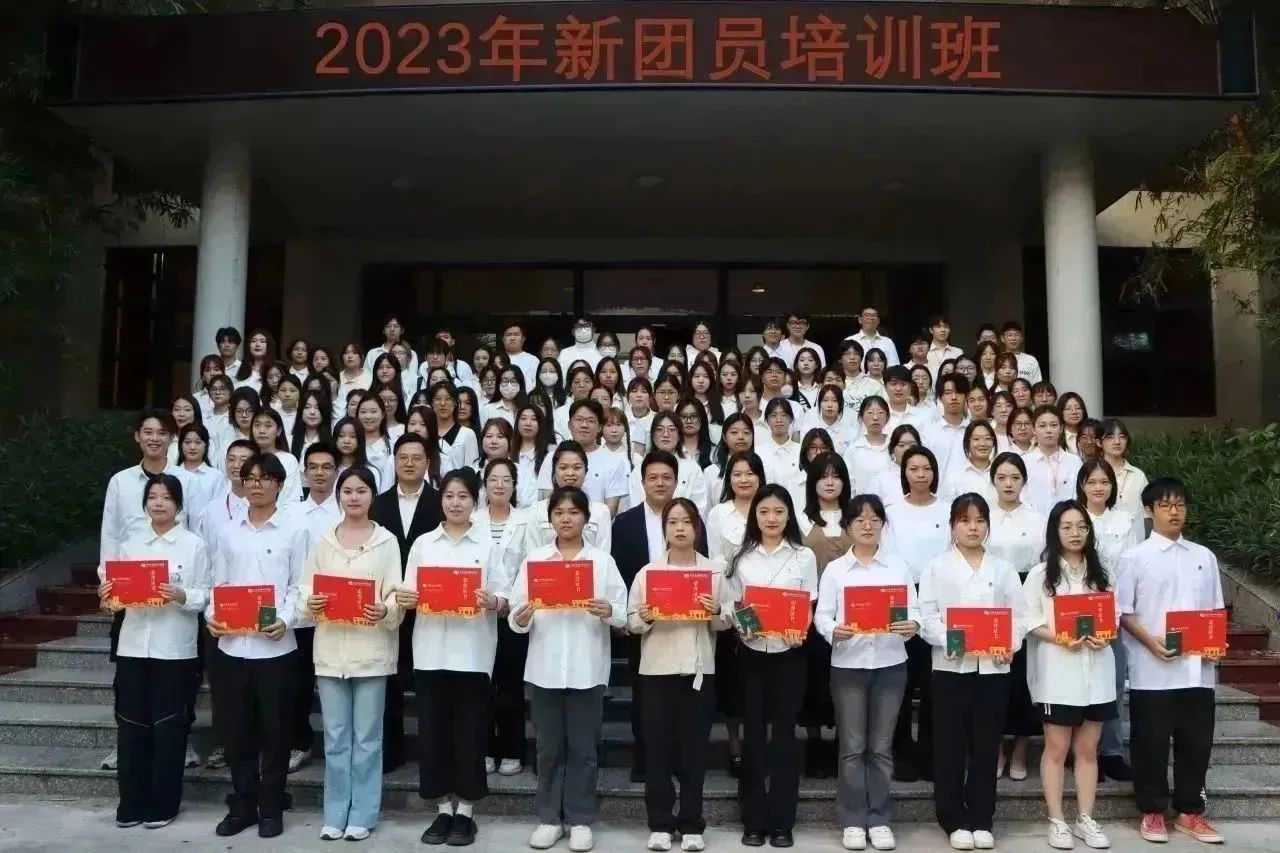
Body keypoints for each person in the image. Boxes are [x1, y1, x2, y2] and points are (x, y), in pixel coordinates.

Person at [508, 486, 629, 853]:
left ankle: (579, 819)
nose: (566, 518)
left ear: (586, 519)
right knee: (548, 748)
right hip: (544, 668)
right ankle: (549, 818)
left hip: (586, 667)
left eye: (573, 512)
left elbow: (623, 610)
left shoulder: (602, 562)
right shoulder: (535, 560)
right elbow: (516, 612)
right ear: (550, 519)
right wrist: (521, 617)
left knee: (583, 748)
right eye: (559, 512)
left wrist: (610, 611)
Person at [401, 469, 514, 847]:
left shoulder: (487, 546)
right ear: (441, 501)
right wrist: (406, 597)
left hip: (473, 654)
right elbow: (408, 590)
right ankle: (441, 810)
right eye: (449, 496)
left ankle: (465, 812)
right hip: (430, 652)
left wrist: (493, 601)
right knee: (434, 735)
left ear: (474, 502)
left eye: (463, 496)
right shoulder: (423, 544)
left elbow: (504, 597)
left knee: (470, 736)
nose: (455, 503)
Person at [1117, 478, 1225, 845]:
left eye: (1179, 504)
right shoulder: (1134, 558)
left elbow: (1214, 611)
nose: (1174, 511)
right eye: (1165, 505)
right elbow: (1123, 612)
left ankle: (1190, 812)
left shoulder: (1203, 556)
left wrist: (1214, 645)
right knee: (1150, 744)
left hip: (1198, 670)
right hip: (1152, 670)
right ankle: (1152, 811)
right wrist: (1150, 642)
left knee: (1196, 743)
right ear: (1149, 511)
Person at [97, 474, 209, 829]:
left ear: (179, 504)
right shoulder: (130, 544)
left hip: (174, 649)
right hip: (133, 645)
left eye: (166, 497)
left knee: (169, 727)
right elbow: (114, 593)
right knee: (131, 726)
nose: (159, 503)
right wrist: (107, 599)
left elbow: (206, 593)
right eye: (153, 497)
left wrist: (183, 595)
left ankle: (163, 804)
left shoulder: (193, 545)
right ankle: (131, 803)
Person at [205, 453, 307, 839]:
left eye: (264, 478)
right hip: (232, 647)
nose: (256, 484)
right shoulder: (228, 531)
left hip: (276, 649)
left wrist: (286, 619)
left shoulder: (294, 530)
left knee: (276, 734)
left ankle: (271, 806)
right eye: (250, 478)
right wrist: (212, 615)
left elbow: (300, 586)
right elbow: (218, 583)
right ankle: (243, 804)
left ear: (279, 485)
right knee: (236, 732)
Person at [918, 494, 1028, 852]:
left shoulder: (1003, 569)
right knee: (950, 745)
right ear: (953, 525)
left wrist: (1009, 643)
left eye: (980, 521)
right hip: (951, 667)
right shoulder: (936, 567)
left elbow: (1019, 617)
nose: (973, 528)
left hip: (993, 669)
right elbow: (927, 617)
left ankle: (982, 817)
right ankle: (953, 818)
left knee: (986, 744)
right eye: (965, 520)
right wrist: (949, 638)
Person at [299, 466, 403, 841]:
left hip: (371, 653)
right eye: (347, 491)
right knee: (336, 737)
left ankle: (363, 813)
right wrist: (310, 601)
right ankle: (335, 813)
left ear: (372, 496)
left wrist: (386, 609)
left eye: (361, 490)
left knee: (368, 739)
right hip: (330, 654)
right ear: (339, 496)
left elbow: (395, 593)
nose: (354, 497)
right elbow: (304, 590)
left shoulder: (386, 542)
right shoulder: (324, 541)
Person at [815, 494, 920, 853]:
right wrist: (833, 630)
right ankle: (853, 820)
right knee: (852, 748)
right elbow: (822, 614)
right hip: (848, 665)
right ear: (847, 526)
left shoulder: (898, 567)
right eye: (859, 519)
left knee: (881, 748)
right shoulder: (835, 570)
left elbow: (914, 611)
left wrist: (913, 624)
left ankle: (879, 819)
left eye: (875, 519)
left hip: (890, 664)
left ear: (883, 526)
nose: (867, 525)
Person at [627, 496, 727, 853]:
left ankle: (691, 824)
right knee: (657, 751)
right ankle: (660, 824)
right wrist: (645, 616)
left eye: (686, 522)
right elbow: (631, 622)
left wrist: (716, 610)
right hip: (657, 671)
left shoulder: (713, 571)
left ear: (697, 528)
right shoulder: (648, 573)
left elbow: (728, 620)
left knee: (694, 753)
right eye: (673, 522)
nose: (680, 528)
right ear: (664, 529)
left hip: (698, 672)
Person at [723, 484, 819, 848]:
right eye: (764, 512)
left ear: (789, 515)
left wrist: (799, 631)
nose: (771, 518)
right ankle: (753, 820)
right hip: (750, 656)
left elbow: (807, 605)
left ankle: (782, 822)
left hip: (789, 657)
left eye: (779, 511)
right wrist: (745, 626)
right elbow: (735, 606)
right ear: (755, 516)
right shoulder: (741, 557)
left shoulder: (803, 556)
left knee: (783, 739)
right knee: (753, 738)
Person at [1023, 501, 1117, 850]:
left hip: (1098, 671)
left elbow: (1114, 616)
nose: (1075, 533)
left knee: (1088, 749)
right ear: (1055, 531)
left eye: (1081, 526)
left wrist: (1105, 635)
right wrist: (1060, 637)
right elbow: (1028, 620)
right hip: (1057, 673)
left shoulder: (1103, 571)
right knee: (1057, 748)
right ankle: (1057, 820)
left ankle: (1086, 818)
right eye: (1067, 527)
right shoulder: (1041, 575)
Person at [613, 449, 706, 788]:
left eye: (667, 477)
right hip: (643, 620)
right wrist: (628, 615)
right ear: (642, 483)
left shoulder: (690, 520)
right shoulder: (625, 522)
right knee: (643, 698)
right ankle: (644, 760)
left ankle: (679, 761)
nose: (660, 483)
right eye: (653, 477)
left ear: (676, 481)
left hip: (684, 622)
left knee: (681, 701)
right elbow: (619, 571)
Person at [371, 433, 443, 773]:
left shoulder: (442, 501)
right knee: (389, 680)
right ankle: (391, 752)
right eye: (403, 458)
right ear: (395, 462)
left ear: (428, 463)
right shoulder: (378, 504)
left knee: (430, 682)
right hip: (388, 602)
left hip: (431, 604)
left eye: (417, 458)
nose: (409, 463)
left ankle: (432, 757)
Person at [882, 446, 949, 783]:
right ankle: (902, 755)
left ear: (935, 472)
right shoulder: (892, 513)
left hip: (938, 599)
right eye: (913, 468)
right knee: (902, 684)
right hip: (902, 598)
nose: (921, 474)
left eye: (926, 468)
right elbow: (888, 557)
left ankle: (932, 756)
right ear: (904, 473)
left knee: (934, 684)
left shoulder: (948, 509)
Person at [984, 452, 1047, 781]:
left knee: (1023, 677)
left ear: (1024, 481)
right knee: (996, 677)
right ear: (993, 480)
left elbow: (1043, 563)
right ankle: (995, 747)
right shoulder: (982, 516)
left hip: (1026, 597)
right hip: (990, 598)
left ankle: (1021, 748)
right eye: (1002, 477)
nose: (1008, 484)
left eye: (1015, 478)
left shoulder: (1037, 518)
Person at [281, 442, 342, 773]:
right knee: (298, 683)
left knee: (337, 682)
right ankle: (299, 742)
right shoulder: (290, 512)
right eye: (313, 467)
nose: (320, 473)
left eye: (327, 467)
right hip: (302, 612)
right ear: (304, 474)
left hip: (338, 612)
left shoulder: (345, 510)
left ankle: (339, 746)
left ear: (336, 472)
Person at [797, 450, 853, 780]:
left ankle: (844, 747)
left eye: (836, 476)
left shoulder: (855, 516)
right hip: (813, 610)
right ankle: (816, 746)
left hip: (852, 613)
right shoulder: (802, 519)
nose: (830, 482)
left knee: (846, 681)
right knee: (815, 680)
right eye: (823, 476)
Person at [474, 459, 530, 778]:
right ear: (485, 485)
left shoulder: (525, 521)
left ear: (514, 486)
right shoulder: (472, 519)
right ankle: (483, 748)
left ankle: (511, 750)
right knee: (481, 686)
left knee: (510, 685)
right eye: (493, 479)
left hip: (513, 613)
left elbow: (531, 565)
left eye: (506, 479)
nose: (499, 484)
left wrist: (510, 600)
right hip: (478, 613)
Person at [1023, 406, 1083, 514]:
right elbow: (1023, 497)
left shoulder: (1074, 462)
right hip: (1033, 521)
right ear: (1033, 430)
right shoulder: (1025, 462)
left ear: (1061, 428)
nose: (1048, 430)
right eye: (1042, 426)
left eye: (1054, 425)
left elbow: (1079, 495)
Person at [921, 374, 970, 479]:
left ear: (966, 397)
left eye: (959, 392)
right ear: (940, 398)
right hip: (940, 488)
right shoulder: (928, 433)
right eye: (948, 393)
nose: (954, 397)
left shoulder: (974, 432)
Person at [1099, 418, 1149, 519]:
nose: (1117, 442)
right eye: (1110, 437)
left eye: (1122, 437)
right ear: (1099, 442)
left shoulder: (1138, 475)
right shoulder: (1092, 473)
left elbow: (1148, 512)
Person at [428, 382, 480, 474]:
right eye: (438, 399)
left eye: (448, 399)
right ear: (432, 403)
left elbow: (472, 470)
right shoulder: (426, 431)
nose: (443, 403)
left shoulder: (467, 434)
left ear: (456, 403)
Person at [942, 421, 998, 503]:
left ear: (993, 443)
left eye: (987, 438)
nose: (982, 443)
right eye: (976, 439)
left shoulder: (1000, 472)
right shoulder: (954, 476)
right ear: (967, 443)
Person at [366, 314, 417, 379]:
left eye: (396, 326)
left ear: (402, 330)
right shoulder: (372, 353)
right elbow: (367, 377)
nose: (392, 329)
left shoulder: (411, 353)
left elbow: (412, 377)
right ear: (383, 330)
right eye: (388, 326)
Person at [501, 323, 541, 393]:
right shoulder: (496, 359)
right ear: (503, 339)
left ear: (523, 339)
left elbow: (537, 386)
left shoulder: (533, 360)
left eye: (516, 334)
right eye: (508, 335)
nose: (512, 338)